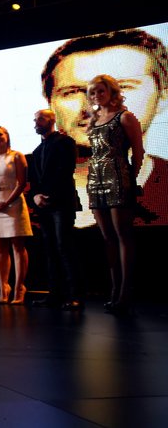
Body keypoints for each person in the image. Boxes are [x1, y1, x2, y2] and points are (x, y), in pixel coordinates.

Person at [40, 28, 168, 226]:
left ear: (162, 97)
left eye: (121, 87)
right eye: (73, 91)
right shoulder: (18, 188)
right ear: (50, 103)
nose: (94, 107)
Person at [85, 75, 145, 315]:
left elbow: (138, 152)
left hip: (118, 177)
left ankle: (125, 292)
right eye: (92, 93)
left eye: (100, 91)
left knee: (123, 235)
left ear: (111, 91)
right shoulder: (94, 119)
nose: (96, 96)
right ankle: (113, 289)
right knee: (107, 237)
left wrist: (134, 179)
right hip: (95, 180)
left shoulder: (126, 117)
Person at [29, 109, 85, 310]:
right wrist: (35, 196)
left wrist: (49, 195)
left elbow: (65, 170)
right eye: (35, 120)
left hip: (61, 203)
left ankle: (75, 295)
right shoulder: (36, 151)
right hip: (44, 207)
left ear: (52, 121)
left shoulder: (65, 142)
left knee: (64, 247)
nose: (36, 122)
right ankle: (54, 294)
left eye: (40, 119)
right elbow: (34, 180)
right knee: (50, 249)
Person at [0, 126, 32, 305]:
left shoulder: (17, 156)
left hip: (13, 203)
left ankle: (20, 287)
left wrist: (7, 202)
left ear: (7, 136)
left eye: (0, 134)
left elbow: (22, 183)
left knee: (18, 245)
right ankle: (4, 288)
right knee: (0, 247)